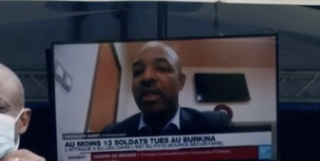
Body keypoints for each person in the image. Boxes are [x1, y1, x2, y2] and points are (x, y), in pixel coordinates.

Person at [100, 41, 235, 136]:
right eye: (138, 71)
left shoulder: (216, 125)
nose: (147, 77)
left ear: (181, 82)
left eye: (162, 68)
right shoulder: (112, 134)